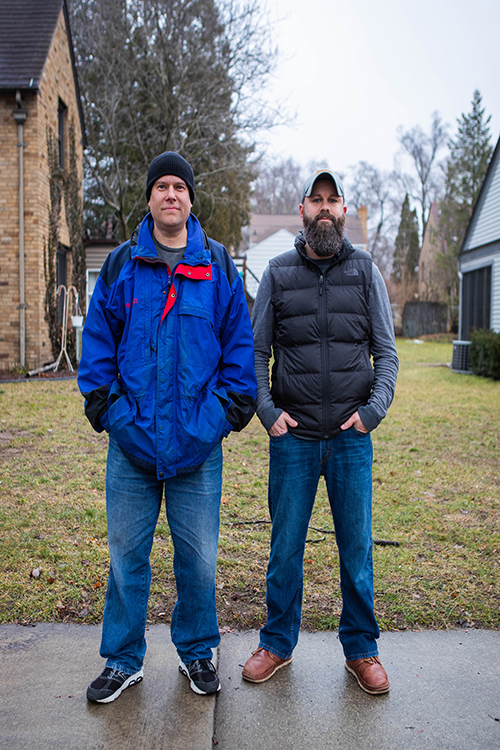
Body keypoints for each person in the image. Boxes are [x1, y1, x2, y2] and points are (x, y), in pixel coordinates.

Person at [78, 152, 257, 702]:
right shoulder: (122, 266)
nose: (172, 195)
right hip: (132, 446)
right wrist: (116, 418)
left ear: (191, 199)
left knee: (199, 561)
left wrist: (211, 423)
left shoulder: (219, 267)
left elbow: (240, 356)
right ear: (151, 198)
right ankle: (123, 659)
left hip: (196, 449)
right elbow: (99, 351)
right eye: (162, 186)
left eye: (181, 186)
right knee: (126, 558)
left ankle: (197, 652)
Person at [242, 168, 399, 695]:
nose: (325, 209)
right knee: (285, 547)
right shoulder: (279, 274)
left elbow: (388, 354)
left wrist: (372, 412)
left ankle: (362, 649)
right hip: (295, 440)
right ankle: (276, 643)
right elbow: (255, 355)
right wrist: (268, 412)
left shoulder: (366, 272)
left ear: (345, 213)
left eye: (334, 201)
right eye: (317, 201)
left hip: (352, 438)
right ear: (302, 213)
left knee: (356, 548)